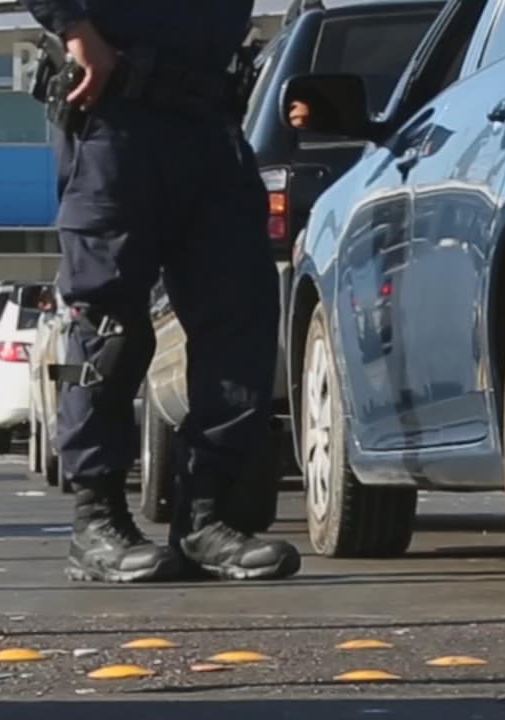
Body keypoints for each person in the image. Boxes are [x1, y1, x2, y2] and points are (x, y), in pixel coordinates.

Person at [19, 0, 302, 584]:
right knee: (107, 327)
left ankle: (206, 517)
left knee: (239, 321)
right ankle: (95, 520)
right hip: (113, 112)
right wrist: (75, 28)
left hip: (210, 122)